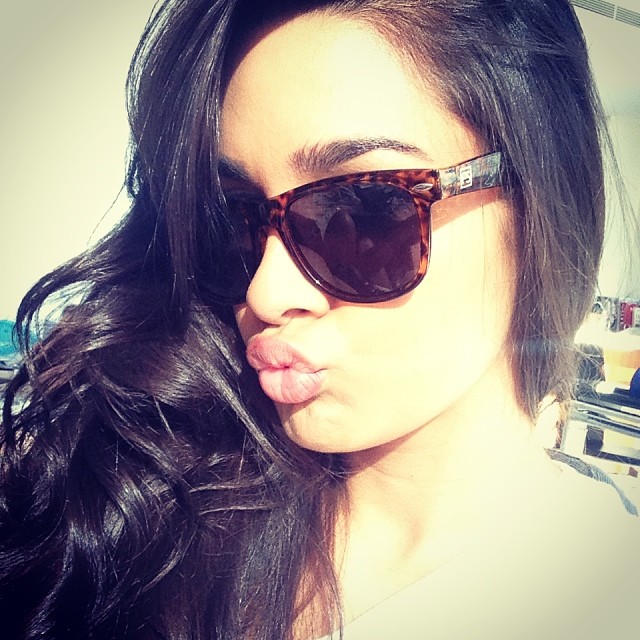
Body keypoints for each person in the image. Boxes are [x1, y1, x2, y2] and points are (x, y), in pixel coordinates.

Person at [1, 1, 638, 638]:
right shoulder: (143, 514)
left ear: (539, 199)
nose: (266, 292)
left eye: (363, 212)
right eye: (234, 221)